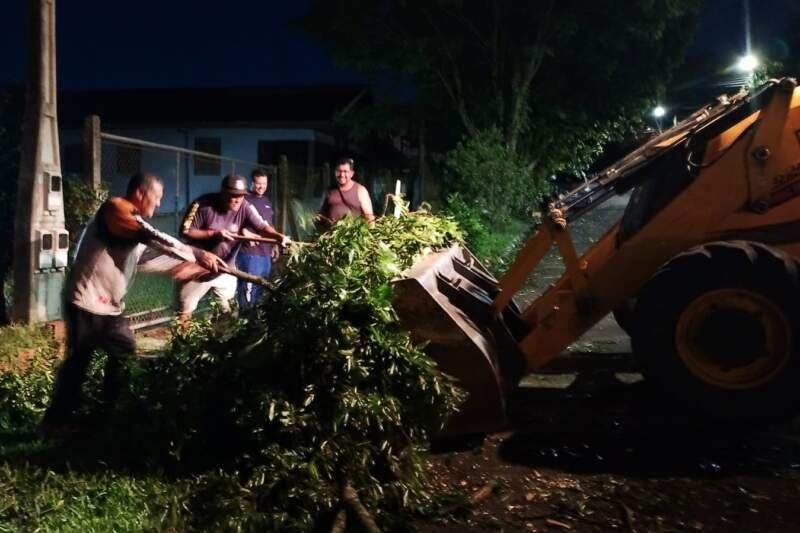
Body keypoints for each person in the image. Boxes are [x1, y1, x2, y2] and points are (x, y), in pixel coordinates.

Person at [41, 172, 226, 437]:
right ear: (141, 193)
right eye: (157, 197)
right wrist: (198, 253)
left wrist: (194, 268)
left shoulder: (134, 229)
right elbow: (156, 238)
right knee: (78, 363)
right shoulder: (115, 210)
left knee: (124, 354)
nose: (159, 204)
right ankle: (54, 424)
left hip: (110, 308)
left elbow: (149, 257)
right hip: (85, 301)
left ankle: (104, 415)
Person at [178, 173, 290, 319]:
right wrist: (213, 234)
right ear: (223, 193)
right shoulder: (202, 204)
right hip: (198, 268)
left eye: (241, 195)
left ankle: (220, 338)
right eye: (233, 195)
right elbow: (185, 231)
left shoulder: (244, 206)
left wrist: (277, 237)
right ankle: (182, 340)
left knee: (228, 314)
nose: (238, 199)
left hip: (225, 269)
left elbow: (262, 226)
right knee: (184, 313)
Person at [235, 168, 278, 309]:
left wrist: (275, 244)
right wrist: (243, 231)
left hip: (265, 254)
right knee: (248, 289)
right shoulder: (244, 200)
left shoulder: (266, 201)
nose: (261, 187)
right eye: (258, 183)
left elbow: (269, 224)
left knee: (261, 289)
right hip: (250, 254)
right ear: (252, 183)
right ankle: (245, 320)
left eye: (264, 184)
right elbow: (232, 221)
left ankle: (255, 321)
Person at [318, 157, 375, 224]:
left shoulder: (360, 190)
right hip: (331, 232)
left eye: (345, 171)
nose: (342, 175)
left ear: (351, 174)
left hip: (353, 233)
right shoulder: (329, 191)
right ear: (335, 172)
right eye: (339, 171)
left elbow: (369, 217)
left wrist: (371, 232)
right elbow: (320, 214)